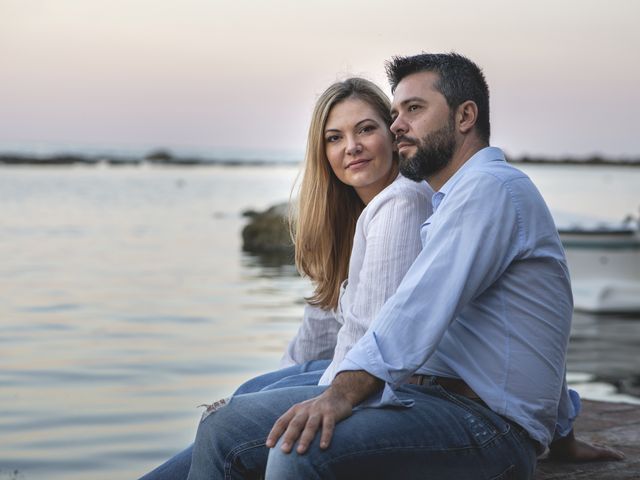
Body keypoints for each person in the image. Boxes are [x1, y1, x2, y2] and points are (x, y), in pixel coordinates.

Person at [185, 53, 624, 480]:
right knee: (231, 423)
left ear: (464, 116)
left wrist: (338, 396)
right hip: (438, 404)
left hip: (489, 430)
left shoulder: (488, 191)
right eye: (395, 113)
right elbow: (537, 324)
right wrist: (562, 428)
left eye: (413, 109)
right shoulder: (452, 201)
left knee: (299, 452)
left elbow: (414, 311)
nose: (397, 125)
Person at [139, 77, 434, 479]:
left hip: (389, 389)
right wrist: (275, 388)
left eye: (365, 129)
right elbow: (318, 331)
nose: (351, 146)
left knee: (229, 424)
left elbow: (369, 341)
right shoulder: (354, 218)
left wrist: (308, 400)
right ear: (322, 151)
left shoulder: (401, 203)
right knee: (244, 399)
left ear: (391, 133)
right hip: (355, 375)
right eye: (335, 137)